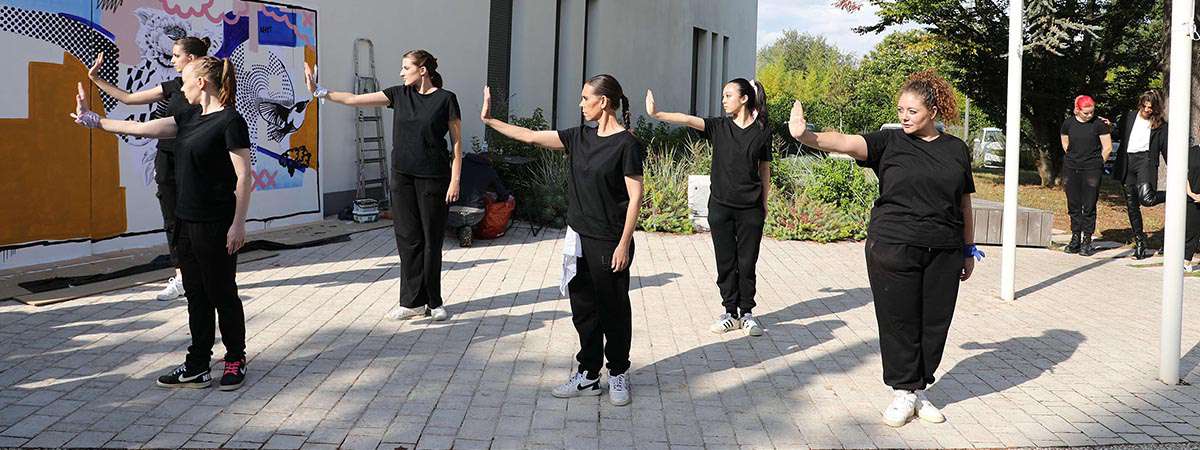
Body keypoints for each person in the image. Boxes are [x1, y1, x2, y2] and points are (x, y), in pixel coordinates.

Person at [788, 69, 979, 427]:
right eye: (900, 110)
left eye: (912, 111)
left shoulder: (956, 149)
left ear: (933, 111)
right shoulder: (890, 142)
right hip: (893, 245)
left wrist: (969, 248)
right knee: (899, 320)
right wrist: (806, 135)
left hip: (944, 249)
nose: (903, 117)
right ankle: (903, 391)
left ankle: (918, 390)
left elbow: (965, 203)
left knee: (934, 323)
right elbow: (843, 142)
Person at [72, 56, 253, 391]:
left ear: (202, 82)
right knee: (196, 296)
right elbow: (141, 128)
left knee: (222, 294)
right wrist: (96, 121)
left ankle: (234, 358)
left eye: (185, 78)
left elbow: (244, 178)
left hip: (216, 224)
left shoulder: (230, 121)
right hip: (185, 221)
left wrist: (238, 225)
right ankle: (198, 364)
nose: (180, 85)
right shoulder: (187, 115)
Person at [481, 74, 644, 407]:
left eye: (586, 98)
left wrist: (624, 243)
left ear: (604, 102)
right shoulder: (578, 136)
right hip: (578, 237)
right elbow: (529, 137)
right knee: (583, 309)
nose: (581, 104)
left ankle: (618, 373)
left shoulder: (626, 144)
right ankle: (588, 374)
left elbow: (635, 194)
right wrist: (489, 120)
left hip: (610, 239)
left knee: (613, 309)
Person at [304, 50, 462, 321]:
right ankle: (410, 302)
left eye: (405, 67)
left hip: (433, 178)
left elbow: (458, 143)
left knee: (430, 240)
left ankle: (434, 302)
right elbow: (354, 100)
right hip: (402, 178)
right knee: (408, 239)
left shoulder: (446, 99)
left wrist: (455, 179)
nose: (401, 73)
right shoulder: (398, 95)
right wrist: (319, 91)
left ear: (422, 70)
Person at [645, 78, 771, 337]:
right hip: (721, 208)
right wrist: (657, 114)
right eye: (723, 95)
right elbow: (689, 119)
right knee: (725, 262)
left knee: (747, 263)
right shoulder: (718, 127)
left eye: (728, 95)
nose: (723, 100)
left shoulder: (761, 131)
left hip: (750, 209)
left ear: (744, 98)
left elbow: (764, 169)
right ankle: (729, 312)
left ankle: (746, 313)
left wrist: (764, 203)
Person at [87, 36, 210, 301]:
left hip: (194, 161)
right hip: (167, 159)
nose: (172, 60)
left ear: (191, 58)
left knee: (199, 218)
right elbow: (130, 98)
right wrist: (96, 79)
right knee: (172, 219)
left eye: (176, 55)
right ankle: (182, 277)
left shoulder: (208, 86)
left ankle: (206, 272)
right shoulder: (175, 85)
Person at [1112, 90, 1169, 259]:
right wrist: (1106, 126)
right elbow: (1118, 134)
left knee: (1147, 198)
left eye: (1150, 108)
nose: (1146, 110)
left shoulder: (1160, 125)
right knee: (1131, 204)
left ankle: (1173, 195)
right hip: (1127, 160)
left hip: (1145, 160)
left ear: (1156, 108)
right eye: (1144, 106)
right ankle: (1140, 241)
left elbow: (1166, 149)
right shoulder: (1129, 117)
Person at [1060, 95, 1113, 256]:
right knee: (1073, 204)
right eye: (1086, 113)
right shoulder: (1068, 123)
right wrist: (1073, 157)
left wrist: (1098, 163)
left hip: (1092, 168)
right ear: (1077, 109)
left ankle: (1087, 240)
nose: (1089, 115)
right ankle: (1075, 237)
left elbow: (1107, 147)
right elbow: (1065, 142)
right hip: (1071, 167)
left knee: (1089, 205)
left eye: (1091, 112)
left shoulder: (1099, 124)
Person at [448, 152, 511, 247]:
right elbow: (503, 195)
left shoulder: (459, 164)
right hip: (476, 214)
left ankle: (458, 228)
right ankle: (470, 228)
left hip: (452, 212)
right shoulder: (489, 170)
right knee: (483, 202)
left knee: (455, 214)